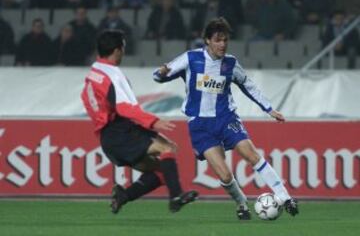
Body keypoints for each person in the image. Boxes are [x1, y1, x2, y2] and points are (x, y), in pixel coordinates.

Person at [153, 17, 299, 220]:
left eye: (225, 40)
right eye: (218, 40)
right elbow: (160, 75)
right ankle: (241, 203)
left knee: (251, 154)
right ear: (207, 41)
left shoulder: (230, 63)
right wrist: (160, 73)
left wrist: (269, 109)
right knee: (224, 175)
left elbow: (248, 86)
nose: (222, 44)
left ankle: (285, 197)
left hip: (225, 117)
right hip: (200, 124)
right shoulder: (191, 58)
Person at [81, 30, 198, 214]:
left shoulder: (93, 74)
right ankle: (176, 196)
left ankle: (123, 196)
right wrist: (152, 121)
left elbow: (89, 102)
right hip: (120, 131)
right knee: (168, 148)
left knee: (162, 172)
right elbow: (124, 107)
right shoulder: (112, 75)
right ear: (118, 50)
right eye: (123, 48)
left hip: (107, 139)